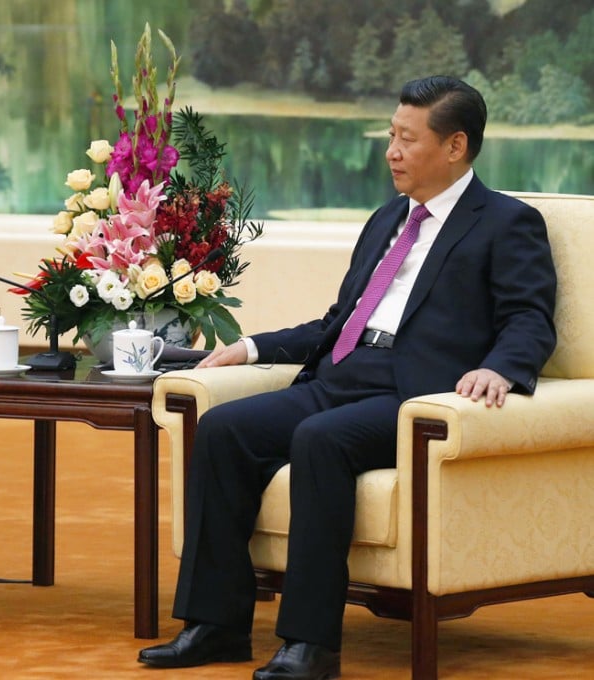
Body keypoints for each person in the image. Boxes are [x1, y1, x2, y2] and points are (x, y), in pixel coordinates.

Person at [138, 75, 557, 679]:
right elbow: (340, 321)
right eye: (390, 136)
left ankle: (310, 646)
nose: (391, 151)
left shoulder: (506, 222)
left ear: (456, 146)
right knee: (225, 429)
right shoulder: (388, 217)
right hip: (342, 374)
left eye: (407, 140)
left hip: (416, 393)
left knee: (322, 440)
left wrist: (499, 368)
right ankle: (215, 626)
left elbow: (529, 318)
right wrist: (252, 347)